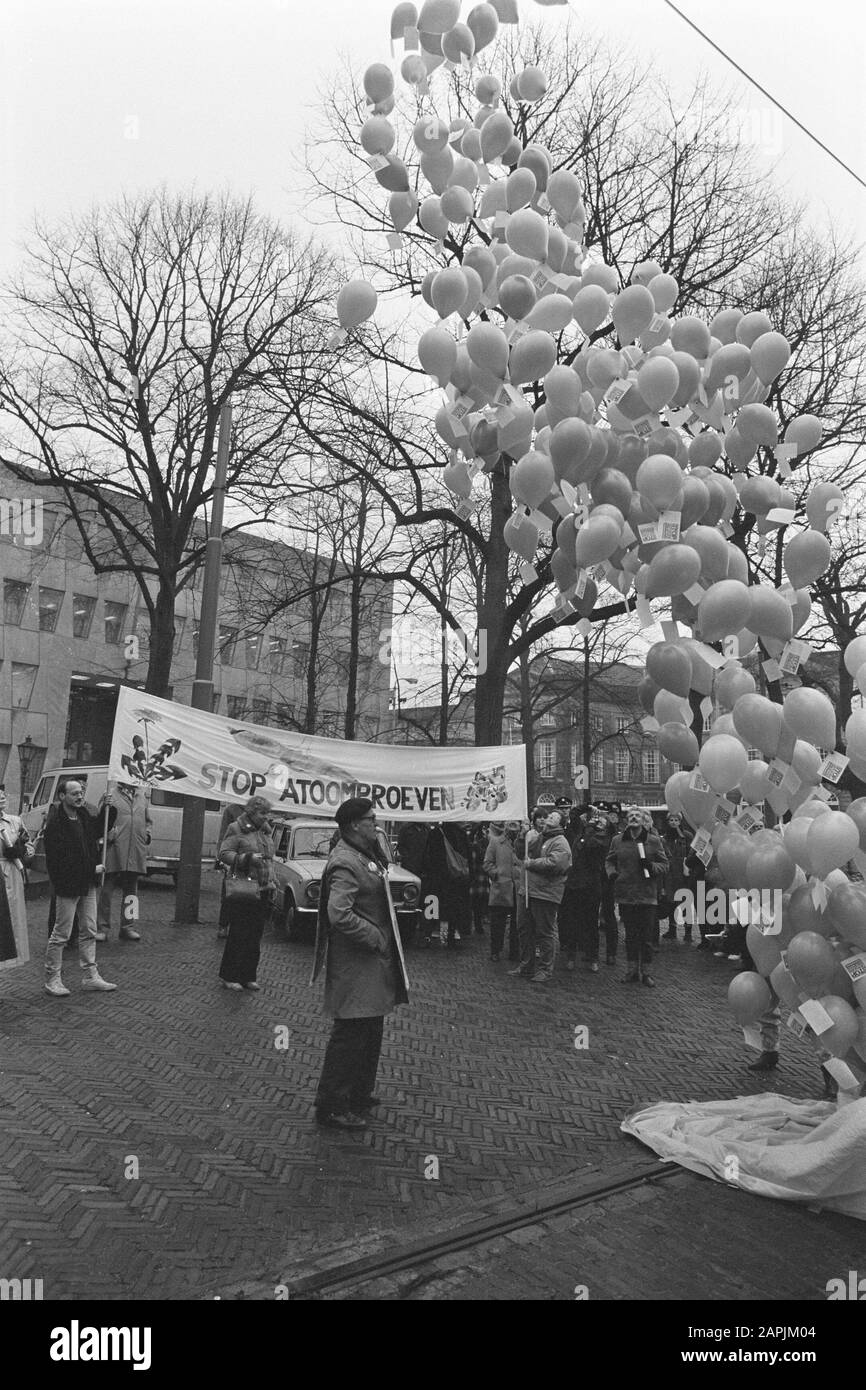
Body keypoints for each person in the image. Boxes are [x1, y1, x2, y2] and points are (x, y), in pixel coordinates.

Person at [312, 797, 409, 1130]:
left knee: (370, 1027)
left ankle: (358, 1091)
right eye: (371, 819)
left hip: (371, 963)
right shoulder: (345, 862)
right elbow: (338, 914)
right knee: (351, 1031)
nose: (375, 823)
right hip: (357, 961)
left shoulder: (363, 854)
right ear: (354, 824)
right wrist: (374, 936)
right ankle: (332, 1104)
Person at [43, 779, 116, 997]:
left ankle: (90, 975)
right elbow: (61, 859)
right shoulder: (56, 823)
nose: (79, 796)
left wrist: (108, 808)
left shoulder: (83, 816)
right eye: (74, 793)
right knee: (61, 933)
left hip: (87, 883)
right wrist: (92, 868)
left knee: (89, 929)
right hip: (69, 884)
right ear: (62, 796)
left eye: (81, 792)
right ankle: (52, 977)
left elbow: (98, 829)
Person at [605, 805, 668, 988]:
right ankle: (631, 970)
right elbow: (609, 860)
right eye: (630, 815)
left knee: (646, 938)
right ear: (626, 819)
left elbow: (664, 864)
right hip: (626, 895)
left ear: (643, 819)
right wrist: (612, 874)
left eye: (637, 815)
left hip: (647, 895)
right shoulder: (618, 840)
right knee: (631, 936)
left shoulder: (653, 841)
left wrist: (651, 867)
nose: (633, 817)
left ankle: (646, 972)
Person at [218, 796, 276, 990]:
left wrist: (272, 881)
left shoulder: (266, 832)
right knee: (239, 933)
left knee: (255, 935)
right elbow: (224, 853)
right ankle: (230, 975)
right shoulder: (236, 828)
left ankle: (248, 975)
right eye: (262, 813)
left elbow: (269, 860)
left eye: (268, 813)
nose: (266, 817)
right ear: (251, 812)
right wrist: (246, 858)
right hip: (245, 888)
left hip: (263, 889)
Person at [511, 809, 571, 984]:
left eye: (552, 817)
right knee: (524, 929)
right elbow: (523, 852)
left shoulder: (560, 842)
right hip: (528, 890)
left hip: (545, 893)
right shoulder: (539, 837)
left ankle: (545, 969)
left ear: (560, 823)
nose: (546, 819)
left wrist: (532, 864)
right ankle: (526, 965)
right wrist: (522, 837)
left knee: (545, 932)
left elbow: (556, 864)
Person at [560, 806, 616, 973]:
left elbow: (591, 845)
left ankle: (592, 957)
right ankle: (571, 955)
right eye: (596, 819)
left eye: (602, 821)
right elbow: (574, 814)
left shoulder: (604, 839)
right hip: (573, 883)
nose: (598, 821)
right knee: (572, 921)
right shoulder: (580, 833)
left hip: (591, 885)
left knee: (591, 922)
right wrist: (588, 807)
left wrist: (591, 826)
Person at [96, 781, 152, 942]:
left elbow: (148, 820)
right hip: (114, 848)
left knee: (132, 892)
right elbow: (100, 820)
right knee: (106, 890)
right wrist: (106, 835)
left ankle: (128, 927)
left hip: (135, 848)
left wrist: (147, 834)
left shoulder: (141, 795)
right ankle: (102, 928)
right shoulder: (109, 794)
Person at [0, 786, 35, 972]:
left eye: (2, 794)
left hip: (12, 874)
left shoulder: (15, 821)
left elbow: (29, 848)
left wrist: (20, 851)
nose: (1, 797)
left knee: (12, 922)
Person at [421, 821, 471, 948]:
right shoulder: (461, 834)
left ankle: (428, 935)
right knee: (453, 908)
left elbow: (428, 856)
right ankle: (451, 936)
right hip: (455, 877)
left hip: (437, 876)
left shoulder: (435, 833)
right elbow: (468, 854)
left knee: (433, 906)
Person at [483, 823, 519, 961]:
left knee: (517, 923)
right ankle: (495, 950)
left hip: (517, 888)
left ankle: (515, 951)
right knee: (497, 923)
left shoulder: (523, 842)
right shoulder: (496, 842)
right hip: (501, 888)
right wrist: (496, 874)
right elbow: (487, 863)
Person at [658, 811, 692, 945]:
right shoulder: (664, 838)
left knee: (685, 902)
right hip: (670, 874)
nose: (673, 823)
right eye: (671, 820)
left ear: (680, 822)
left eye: (676, 820)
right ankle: (672, 929)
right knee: (671, 902)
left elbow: (692, 852)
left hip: (683, 874)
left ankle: (688, 931)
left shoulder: (687, 836)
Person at [215, 801, 245, 939]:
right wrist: (222, 859)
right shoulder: (231, 810)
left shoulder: (257, 812)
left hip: (248, 859)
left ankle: (238, 925)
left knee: (247, 894)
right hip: (233, 858)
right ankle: (224, 925)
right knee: (228, 894)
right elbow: (223, 835)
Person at [467, 824, 489, 935]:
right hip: (480, 875)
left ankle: (476, 924)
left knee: (476, 903)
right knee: (479, 902)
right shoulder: (484, 842)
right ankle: (478, 924)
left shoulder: (472, 842)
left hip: (476, 875)